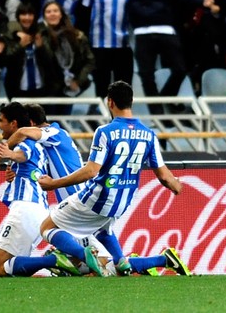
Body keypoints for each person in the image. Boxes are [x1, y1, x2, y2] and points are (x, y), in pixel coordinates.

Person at [35, 80, 191, 277]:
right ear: (131, 102)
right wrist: (177, 186)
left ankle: (83, 254)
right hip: (122, 202)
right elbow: (165, 177)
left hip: (96, 199)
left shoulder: (105, 132)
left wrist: (53, 184)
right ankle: (124, 262)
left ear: (110, 102)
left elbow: (91, 171)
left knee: (47, 227)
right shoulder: (149, 135)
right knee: (103, 230)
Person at [0, 101, 77, 277]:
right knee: (14, 269)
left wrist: (9, 155)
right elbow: (31, 167)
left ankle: (54, 261)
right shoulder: (42, 143)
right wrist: (11, 168)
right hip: (36, 208)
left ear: (14, 123)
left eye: (1, 120)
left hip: (26, 207)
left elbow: (24, 154)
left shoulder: (27, 141)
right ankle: (53, 268)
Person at [81, 0, 133, 99]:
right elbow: (84, 12)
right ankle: (102, 120)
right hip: (99, 46)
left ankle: (120, 122)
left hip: (122, 46)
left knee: (123, 92)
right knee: (101, 88)